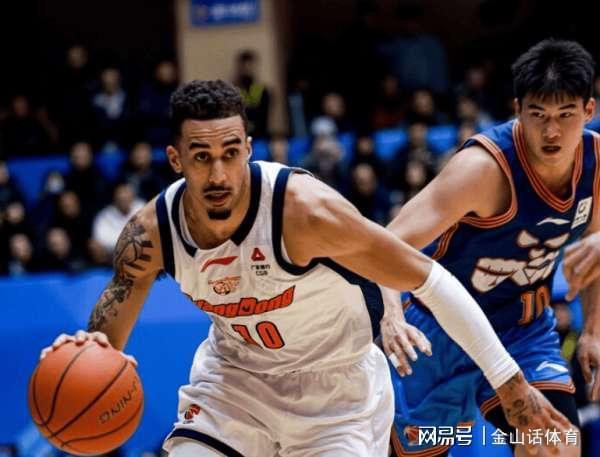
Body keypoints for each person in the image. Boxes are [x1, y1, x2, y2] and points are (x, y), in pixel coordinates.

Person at [42, 80, 568, 457]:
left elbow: (431, 280)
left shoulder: (305, 212)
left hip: (337, 395)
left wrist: (510, 384)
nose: (219, 173)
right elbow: (104, 345)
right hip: (235, 382)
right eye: (201, 157)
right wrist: (81, 356)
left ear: (249, 150)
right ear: (176, 159)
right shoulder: (151, 232)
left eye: (231, 153)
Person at [381, 39, 598, 457]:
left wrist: (592, 331)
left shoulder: (596, 162)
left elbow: (593, 253)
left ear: (589, 110)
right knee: (422, 448)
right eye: (538, 114)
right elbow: (388, 244)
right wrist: (390, 312)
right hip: (439, 335)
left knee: (556, 446)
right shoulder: (482, 170)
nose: (552, 131)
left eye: (565, 114)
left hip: (522, 331)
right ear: (518, 109)